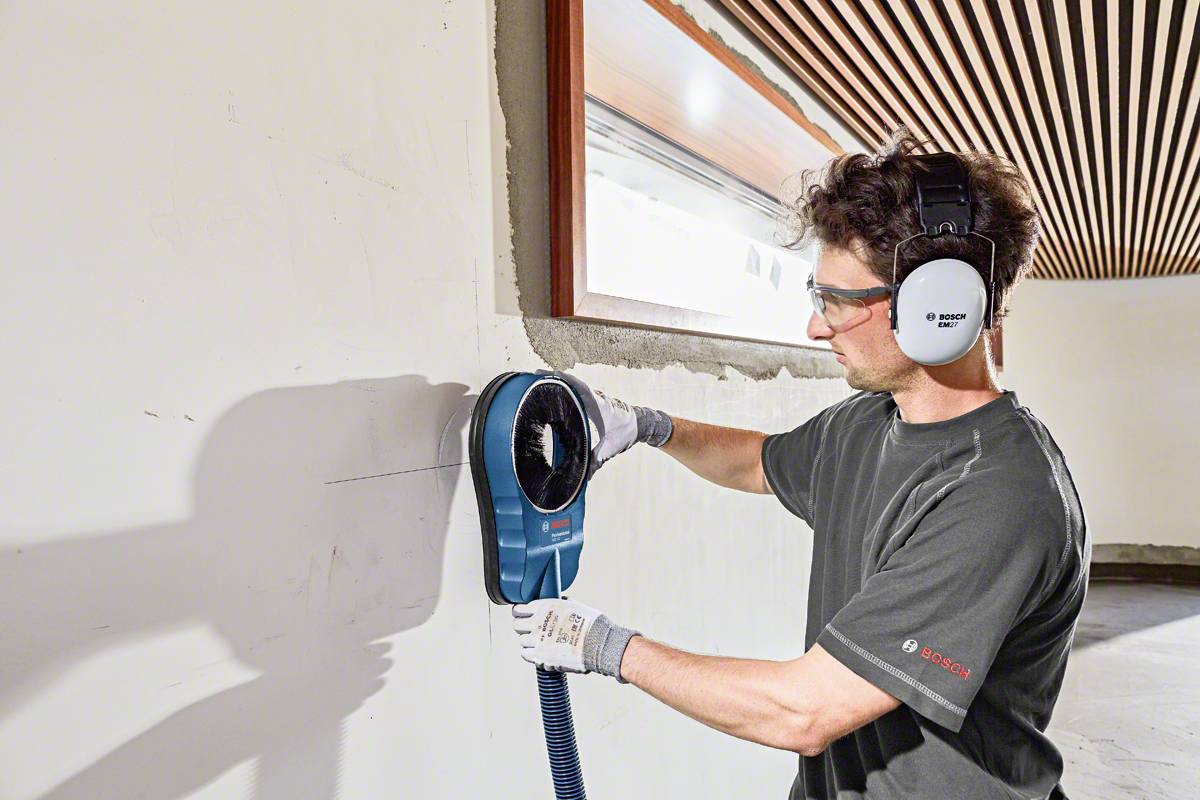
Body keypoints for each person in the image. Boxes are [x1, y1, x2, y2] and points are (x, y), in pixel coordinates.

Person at [512, 130, 1088, 799]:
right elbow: (757, 462)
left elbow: (806, 710)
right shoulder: (869, 424)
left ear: (939, 307)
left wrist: (604, 647)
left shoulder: (1000, 496)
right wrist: (648, 427)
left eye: (838, 302)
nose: (817, 328)